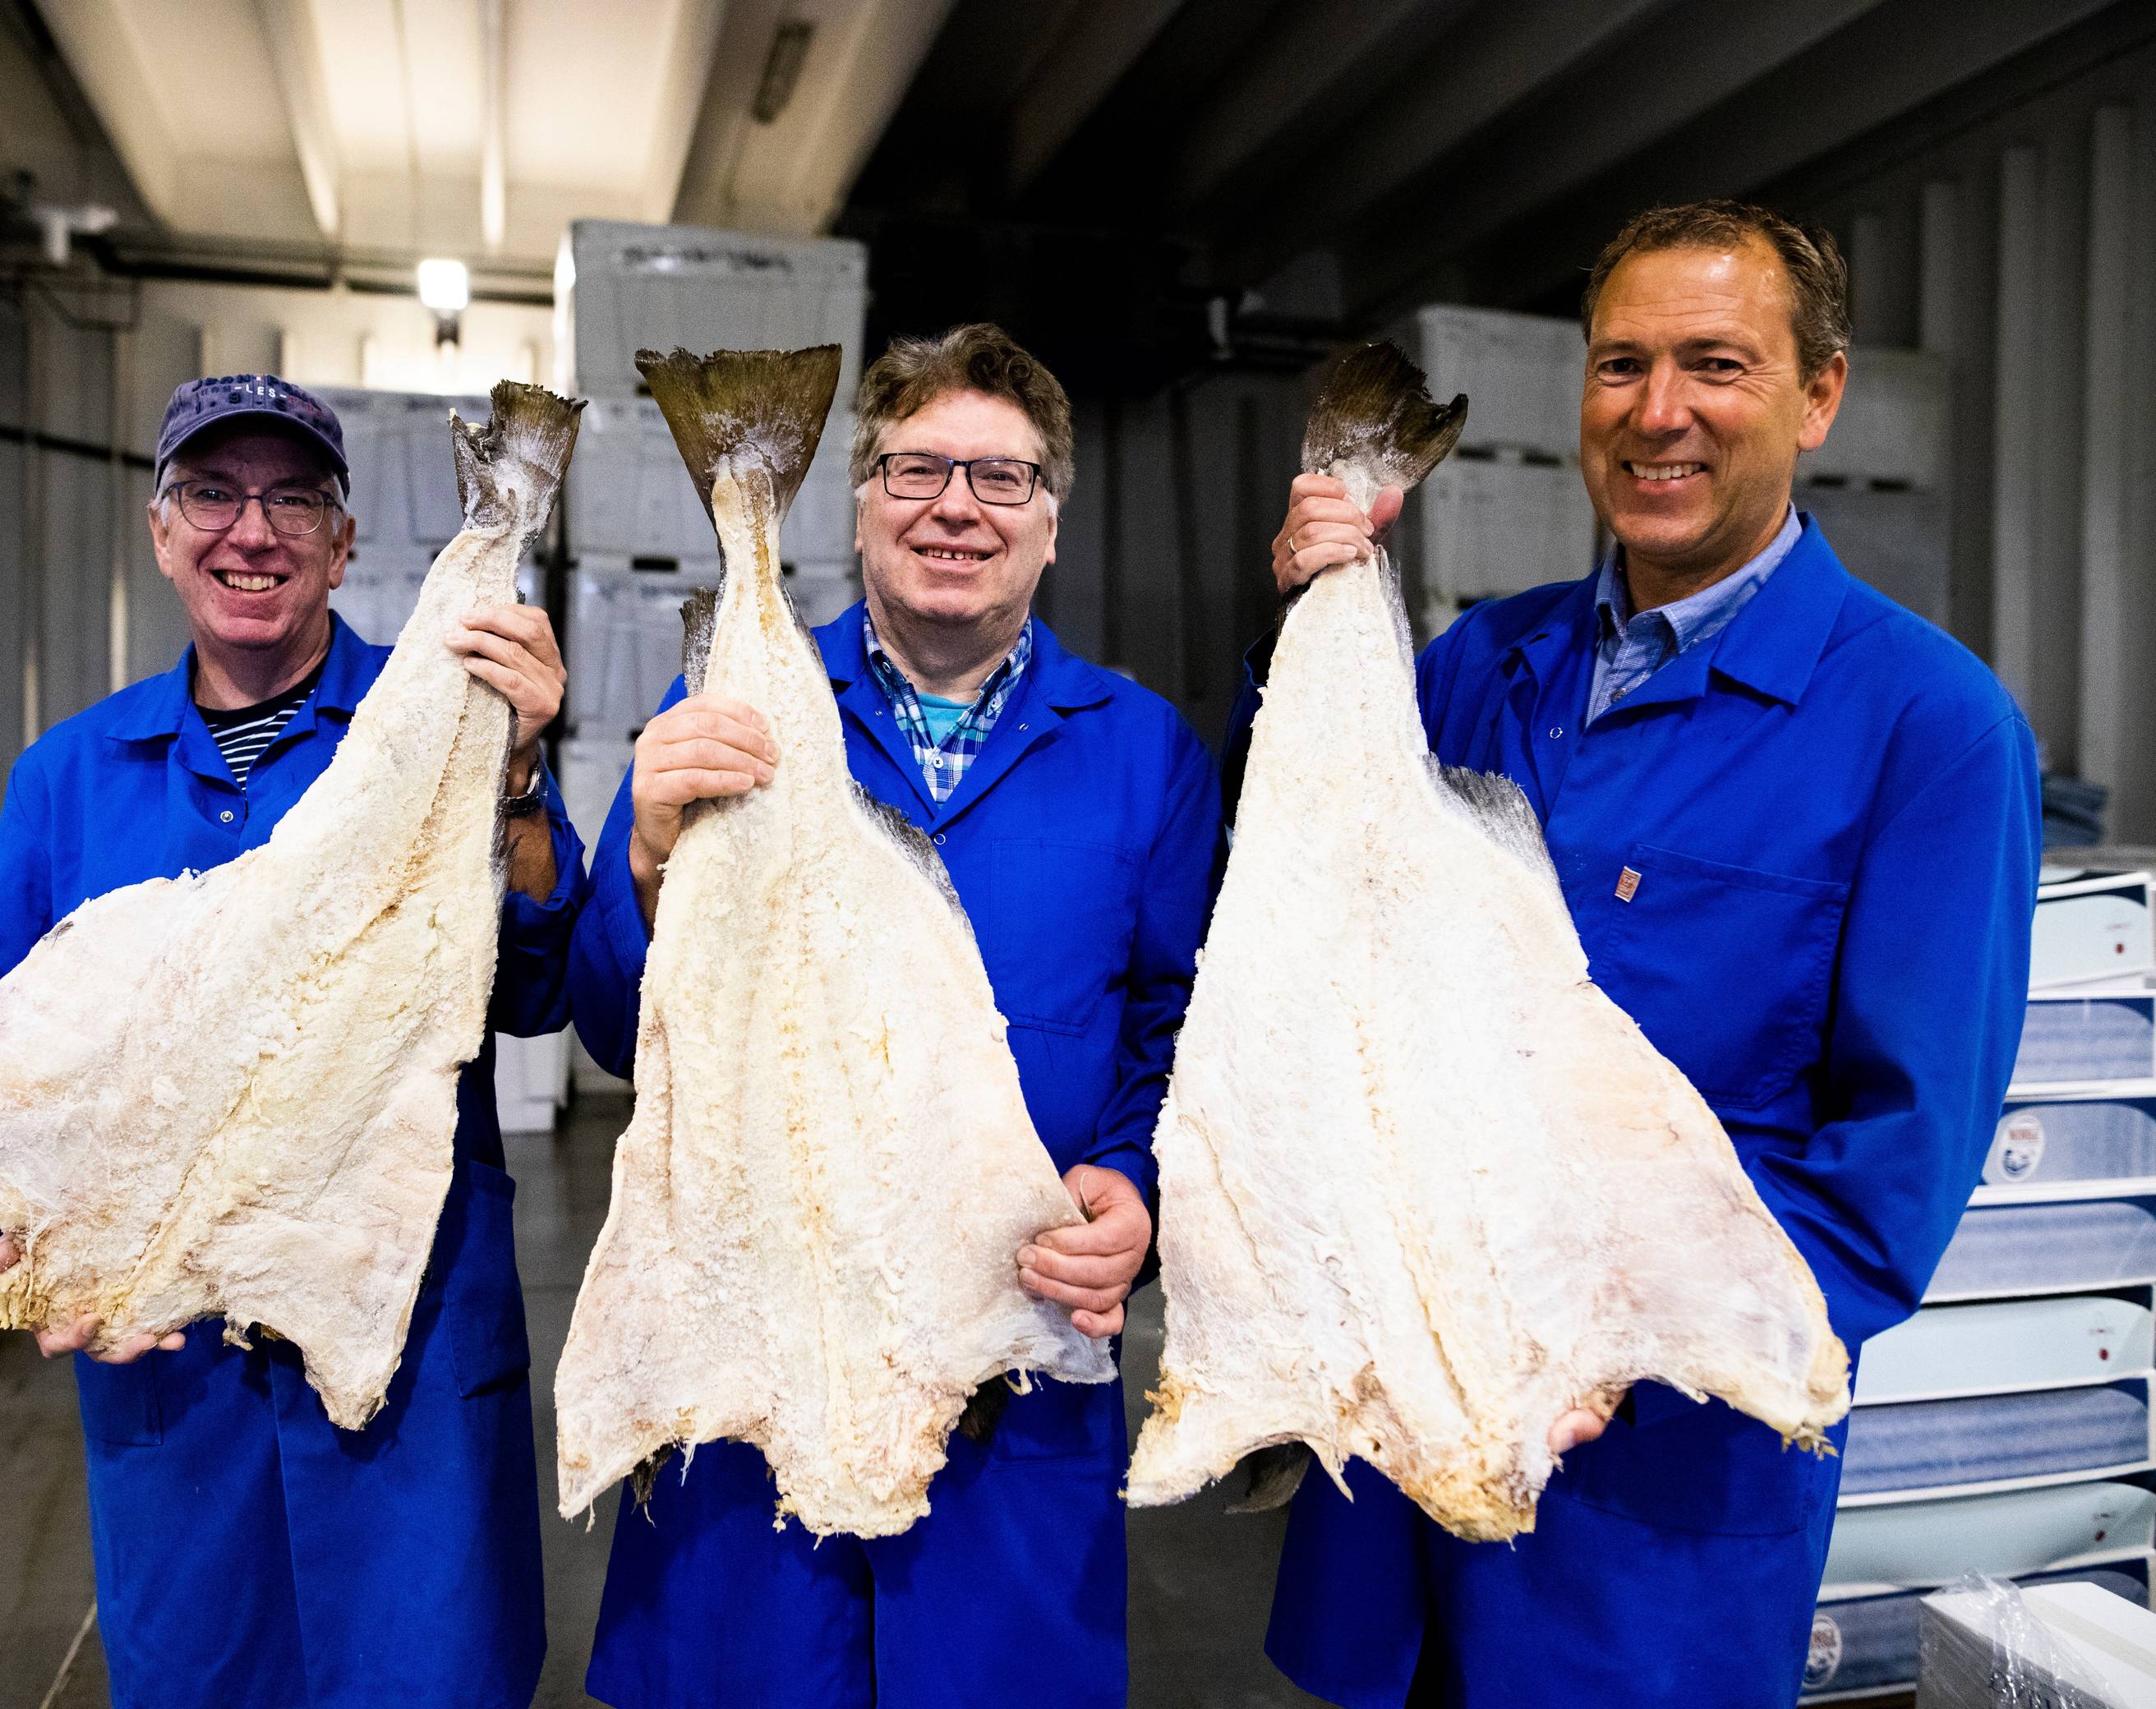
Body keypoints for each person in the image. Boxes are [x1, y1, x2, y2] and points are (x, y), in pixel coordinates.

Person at [1229, 201, 2039, 1707]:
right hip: (1394, 1472)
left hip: (1646, 1514)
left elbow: (1889, 1185)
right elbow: (1296, 912)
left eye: (1716, 366)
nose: (1658, 414)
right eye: (1621, 367)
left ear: (1820, 396)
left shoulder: (1929, 730)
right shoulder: (1477, 664)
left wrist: (1612, 1348)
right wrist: (1306, 635)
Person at [568, 324, 1219, 1708]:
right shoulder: (732, 709)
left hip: (1010, 1366)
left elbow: (1183, 1031)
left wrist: (1140, 1181)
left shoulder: (1141, 747)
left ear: (1053, 521)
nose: (957, 508)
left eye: (1002, 477)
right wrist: (638, 856)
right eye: (916, 469)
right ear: (857, 502)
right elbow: (619, 1031)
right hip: (757, 1334)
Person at [0, 374, 585, 1709]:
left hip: (405, 1370)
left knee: (429, 1679)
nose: (254, 531)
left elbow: (535, 989)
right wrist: (30, 1248)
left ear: (345, 545)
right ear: (161, 531)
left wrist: (514, 779)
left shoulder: (452, 725)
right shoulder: (69, 777)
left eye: (294, 498)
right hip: (176, 1382)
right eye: (213, 495)